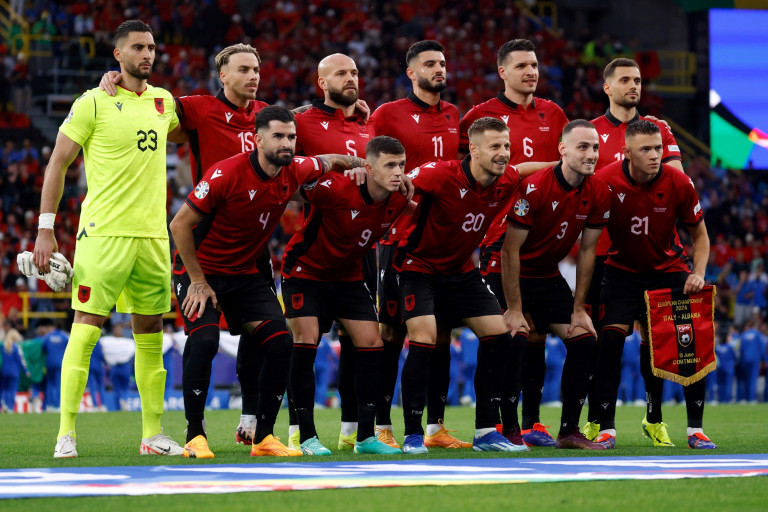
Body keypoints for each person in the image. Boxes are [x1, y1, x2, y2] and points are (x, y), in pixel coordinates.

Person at [168, 105, 374, 458]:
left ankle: (263, 437)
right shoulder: (225, 173)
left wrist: (364, 167)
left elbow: (330, 160)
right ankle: (195, 435)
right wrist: (198, 281)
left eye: (291, 136)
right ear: (258, 140)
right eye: (278, 136)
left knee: (281, 343)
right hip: (200, 271)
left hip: (244, 274)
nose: (287, 143)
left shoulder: (296, 169)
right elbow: (179, 224)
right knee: (204, 340)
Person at [33, 20, 185, 459]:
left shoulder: (164, 101)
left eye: (151, 47)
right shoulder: (92, 102)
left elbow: (201, 127)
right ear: (117, 54)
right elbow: (58, 163)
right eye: (138, 47)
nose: (148, 54)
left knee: (151, 330)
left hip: (152, 236)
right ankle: (65, 434)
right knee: (86, 327)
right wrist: (45, 228)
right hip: (103, 234)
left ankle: (152, 435)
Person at [395, 117, 527, 453]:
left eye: (507, 145)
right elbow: (398, 184)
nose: (504, 152)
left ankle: (486, 431)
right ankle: (413, 434)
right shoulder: (439, 173)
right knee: (424, 339)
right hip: (418, 267)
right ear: (474, 150)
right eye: (495, 146)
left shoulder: (507, 178)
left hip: (461, 271)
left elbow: (525, 169)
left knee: (500, 335)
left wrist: (564, 164)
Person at [584, 120, 716, 449]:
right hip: (621, 272)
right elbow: (588, 238)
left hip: (669, 271)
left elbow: (701, 236)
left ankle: (695, 431)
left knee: (688, 346)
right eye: (646, 149)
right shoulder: (604, 180)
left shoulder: (679, 182)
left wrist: (698, 273)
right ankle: (606, 429)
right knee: (609, 343)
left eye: (658, 148)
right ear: (627, 153)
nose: (655, 155)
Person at [463, 39, 568, 447]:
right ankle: (497, 425)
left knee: (536, 335)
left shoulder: (553, 114)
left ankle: (532, 422)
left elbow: (573, 164)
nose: (531, 71)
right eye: (522, 65)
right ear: (502, 71)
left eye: (535, 64)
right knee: (508, 333)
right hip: (499, 236)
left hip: (542, 243)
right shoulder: (479, 115)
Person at [282, 136, 409, 455]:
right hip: (305, 271)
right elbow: (287, 189)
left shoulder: (401, 196)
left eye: (401, 165)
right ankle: (305, 437)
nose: (398, 172)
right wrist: (341, 164)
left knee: (372, 344)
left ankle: (365, 438)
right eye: (390, 165)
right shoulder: (338, 187)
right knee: (306, 342)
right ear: (369, 168)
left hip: (348, 276)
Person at [370, 40, 466, 449]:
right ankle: (381, 425)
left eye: (442, 63)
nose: (439, 69)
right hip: (398, 237)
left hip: (444, 241)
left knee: (441, 334)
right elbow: (370, 164)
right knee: (391, 334)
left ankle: (435, 427)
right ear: (411, 72)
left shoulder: (454, 114)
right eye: (429, 64)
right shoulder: (387, 114)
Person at [583, 56, 686, 431]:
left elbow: (677, 180)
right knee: (601, 341)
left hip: (655, 253)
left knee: (656, 340)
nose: (634, 86)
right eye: (625, 80)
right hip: (604, 254)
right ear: (607, 87)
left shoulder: (658, 129)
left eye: (638, 80)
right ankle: (598, 420)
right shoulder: (590, 132)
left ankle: (654, 417)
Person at [501, 120, 610, 449]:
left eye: (595, 147)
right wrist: (515, 308)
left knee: (585, 339)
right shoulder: (534, 187)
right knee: (516, 336)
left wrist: (579, 308)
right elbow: (509, 251)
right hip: (510, 268)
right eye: (582, 147)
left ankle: (569, 431)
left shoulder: (599, 191)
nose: (591, 154)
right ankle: (508, 429)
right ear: (562, 149)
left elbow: (588, 251)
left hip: (547, 274)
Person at [290, 53, 375, 451]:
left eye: (354, 72)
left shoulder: (369, 123)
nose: (350, 78)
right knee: (305, 345)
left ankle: (354, 432)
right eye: (341, 73)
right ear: (321, 82)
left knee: (363, 344)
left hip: (358, 252)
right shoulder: (302, 121)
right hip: (314, 249)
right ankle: (298, 432)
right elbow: (274, 137)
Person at [40, 320, 67, 411]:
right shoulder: (64, 337)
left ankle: (49, 405)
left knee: (50, 384)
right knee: (58, 384)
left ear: (55, 326)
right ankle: (57, 405)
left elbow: (43, 349)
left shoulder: (48, 336)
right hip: (60, 364)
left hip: (50, 363)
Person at [1, 329, 27, 412]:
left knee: (4, 389)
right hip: (14, 372)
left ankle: (3, 405)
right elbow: (20, 361)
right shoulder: (16, 348)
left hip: (4, 371)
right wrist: (26, 371)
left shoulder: (3, 346)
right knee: (12, 390)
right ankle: (10, 407)